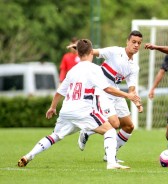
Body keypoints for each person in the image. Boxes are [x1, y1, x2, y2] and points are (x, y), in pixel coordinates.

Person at [17, 39, 142, 170]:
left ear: (78, 54)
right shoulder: (95, 69)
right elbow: (108, 89)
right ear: (91, 53)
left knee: (55, 136)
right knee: (110, 130)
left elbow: (59, 92)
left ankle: (28, 156)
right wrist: (128, 95)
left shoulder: (72, 71)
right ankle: (111, 162)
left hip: (67, 110)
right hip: (83, 110)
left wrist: (52, 107)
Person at [68, 30, 144, 163]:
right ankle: (87, 130)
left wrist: (137, 102)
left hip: (116, 92)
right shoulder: (115, 52)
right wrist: (78, 47)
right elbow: (93, 52)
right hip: (101, 90)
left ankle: (110, 153)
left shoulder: (134, 67)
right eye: (133, 42)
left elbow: (132, 89)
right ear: (127, 41)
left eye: (139, 43)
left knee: (129, 126)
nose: (136, 45)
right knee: (114, 124)